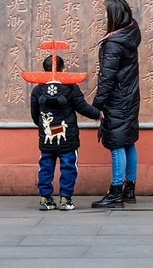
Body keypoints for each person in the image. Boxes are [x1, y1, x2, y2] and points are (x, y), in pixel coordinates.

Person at [91, 0, 142, 209]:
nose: (104, 17)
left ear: (113, 18)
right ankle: (130, 189)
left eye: (106, 14)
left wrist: (97, 105)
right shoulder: (131, 30)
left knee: (117, 145)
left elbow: (107, 78)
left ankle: (115, 193)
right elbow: (122, 7)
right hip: (130, 98)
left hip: (117, 100)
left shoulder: (113, 44)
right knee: (128, 140)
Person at [30, 55, 101, 211]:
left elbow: (35, 116)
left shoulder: (37, 90)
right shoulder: (71, 88)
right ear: (63, 70)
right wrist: (98, 115)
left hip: (46, 138)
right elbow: (82, 107)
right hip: (67, 138)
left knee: (45, 167)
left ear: (44, 71)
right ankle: (65, 199)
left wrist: (42, 126)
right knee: (69, 167)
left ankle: (45, 198)